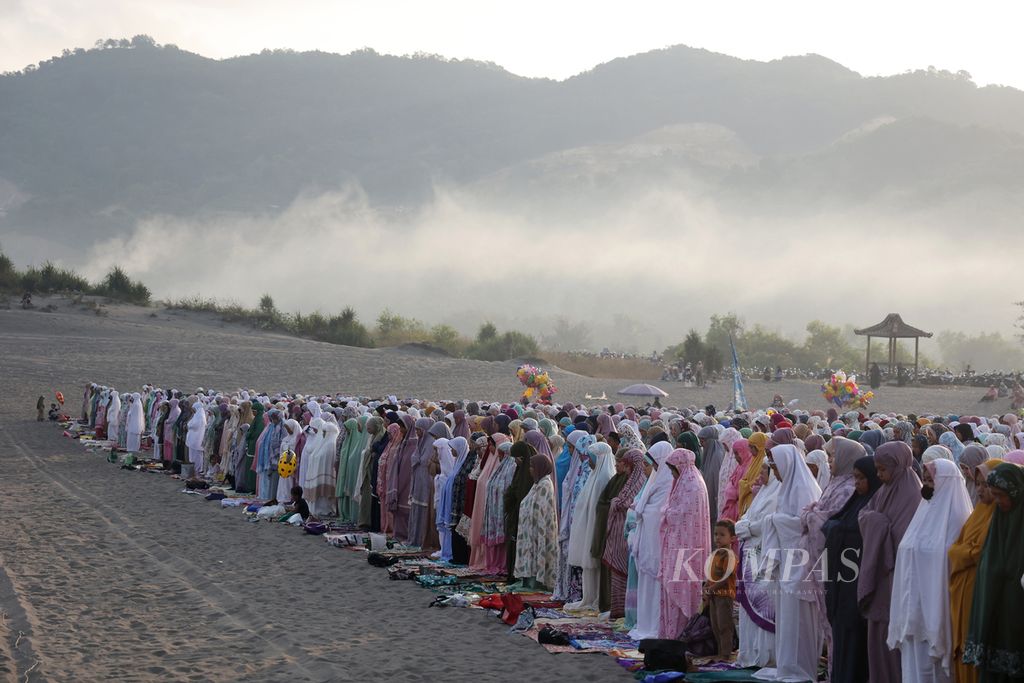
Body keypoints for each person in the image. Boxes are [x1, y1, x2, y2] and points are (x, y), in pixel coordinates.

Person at [888, 458, 972, 682]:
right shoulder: (923, 512)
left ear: (945, 482)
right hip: (913, 608)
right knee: (914, 666)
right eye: (925, 480)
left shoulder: (958, 520)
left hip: (937, 608)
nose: (927, 486)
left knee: (933, 671)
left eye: (931, 481)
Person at [755, 443, 822, 682]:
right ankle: (788, 666)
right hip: (787, 560)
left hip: (801, 564)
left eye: (775, 465)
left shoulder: (804, 488)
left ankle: (801, 669)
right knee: (787, 619)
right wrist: (775, 520)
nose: (774, 471)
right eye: (771, 466)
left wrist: (774, 519)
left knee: (800, 619)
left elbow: (805, 524)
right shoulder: (787, 488)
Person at [858, 441, 922, 682]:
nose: (879, 475)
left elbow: (904, 539)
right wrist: (875, 521)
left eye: (883, 469)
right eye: (877, 469)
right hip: (880, 577)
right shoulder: (884, 490)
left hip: (896, 578)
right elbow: (864, 515)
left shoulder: (911, 494)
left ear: (897, 466)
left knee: (893, 637)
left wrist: (877, 522)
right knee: (878, 634)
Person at [963, 463, 1024, 680]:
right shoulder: (998, 521)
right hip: (994, 616)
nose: (997, 501)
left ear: (1016, 493)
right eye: (994, 495)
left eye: (1001, 495)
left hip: (1017, 619)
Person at [823, 456, 880, 683]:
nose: (857, 483)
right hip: (842, 580)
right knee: (842, 633)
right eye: (855, 478)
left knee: (856, 637)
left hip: (858, 583)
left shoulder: (875, 502)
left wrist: (837, 530)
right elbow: (834, 523)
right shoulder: (856, 501)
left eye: (861, 478)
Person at [948, 458, 1001, 683]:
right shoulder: (978, 512)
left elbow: (977, 552)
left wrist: (962, 552)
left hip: (979, 592)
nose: (980, 489)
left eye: (986, 484)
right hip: (963, 589)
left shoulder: (1000, 517)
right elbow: (957, 550)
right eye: (977, 483)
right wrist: (962, 552)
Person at [658, 447, 711, 638]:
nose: (672, 473)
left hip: (686, 548)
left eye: (673, 469)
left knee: (680, 587)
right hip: (678, 545)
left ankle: (680, 635)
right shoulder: (684, 482)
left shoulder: (692, 486)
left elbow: (679, 515)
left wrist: (665, 512)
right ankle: (671, 635)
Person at [628, 441, 674, 641]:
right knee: (646, 585)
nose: (653, 468)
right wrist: (640, 509)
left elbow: (658, 513)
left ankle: (654, 626)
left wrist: (640, 510)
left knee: (656, 587)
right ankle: (645, 624)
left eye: (655, 463)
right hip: (647, 543)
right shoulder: (655, 481)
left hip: (657, 545)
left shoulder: (669, 483)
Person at [566, 441, 616, 612]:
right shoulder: (595, 475)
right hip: (588, 525)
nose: (589, 461)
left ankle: (596, 599)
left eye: (592, 457)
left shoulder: (604, 477)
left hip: (595, 527)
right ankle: (589, 597)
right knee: (589, 566)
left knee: (595, 566)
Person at [514, 452, 559, 589]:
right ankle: (529, 580)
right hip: (531, 530)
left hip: (540, 531)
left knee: (538, 554)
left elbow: (541, 509)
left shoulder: (545, 484)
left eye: (533, 467)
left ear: (540, 468)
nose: (530, 469)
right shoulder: (537, 483)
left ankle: (537, 582)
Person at [705, 519, 737, 661]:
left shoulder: (730, 555)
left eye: (722, 535)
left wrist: (712, 588)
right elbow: (711, 575)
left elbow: (725, 577)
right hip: (713, 595)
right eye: (716, 534)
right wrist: (706, 586)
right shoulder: (716, 553)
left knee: (725, 625)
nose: (717, 537)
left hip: (724, 595)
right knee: (715, 625)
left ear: (732, 538)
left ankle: (725, 654)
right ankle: (720, 652)